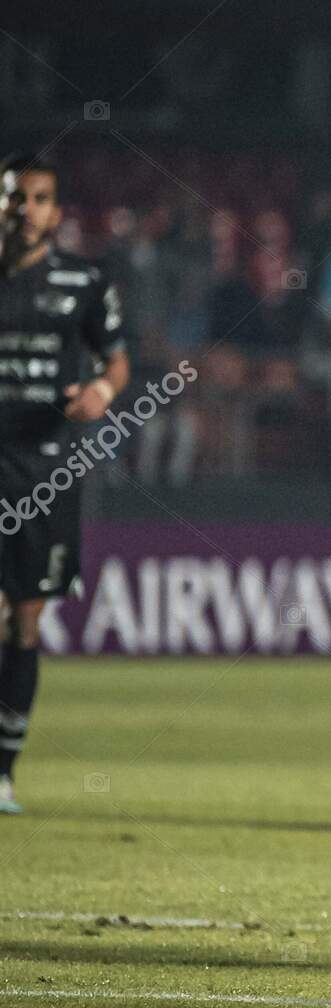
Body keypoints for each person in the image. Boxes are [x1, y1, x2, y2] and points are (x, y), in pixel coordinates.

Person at [0, 153, 129, 815]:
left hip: (44, 472)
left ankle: (4, 771)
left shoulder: (82, 280)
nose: (27, 209)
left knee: (24, 621)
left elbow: (116, 358)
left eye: (40, 198)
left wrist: (103, 390)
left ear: (56, 210)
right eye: (16, 197)